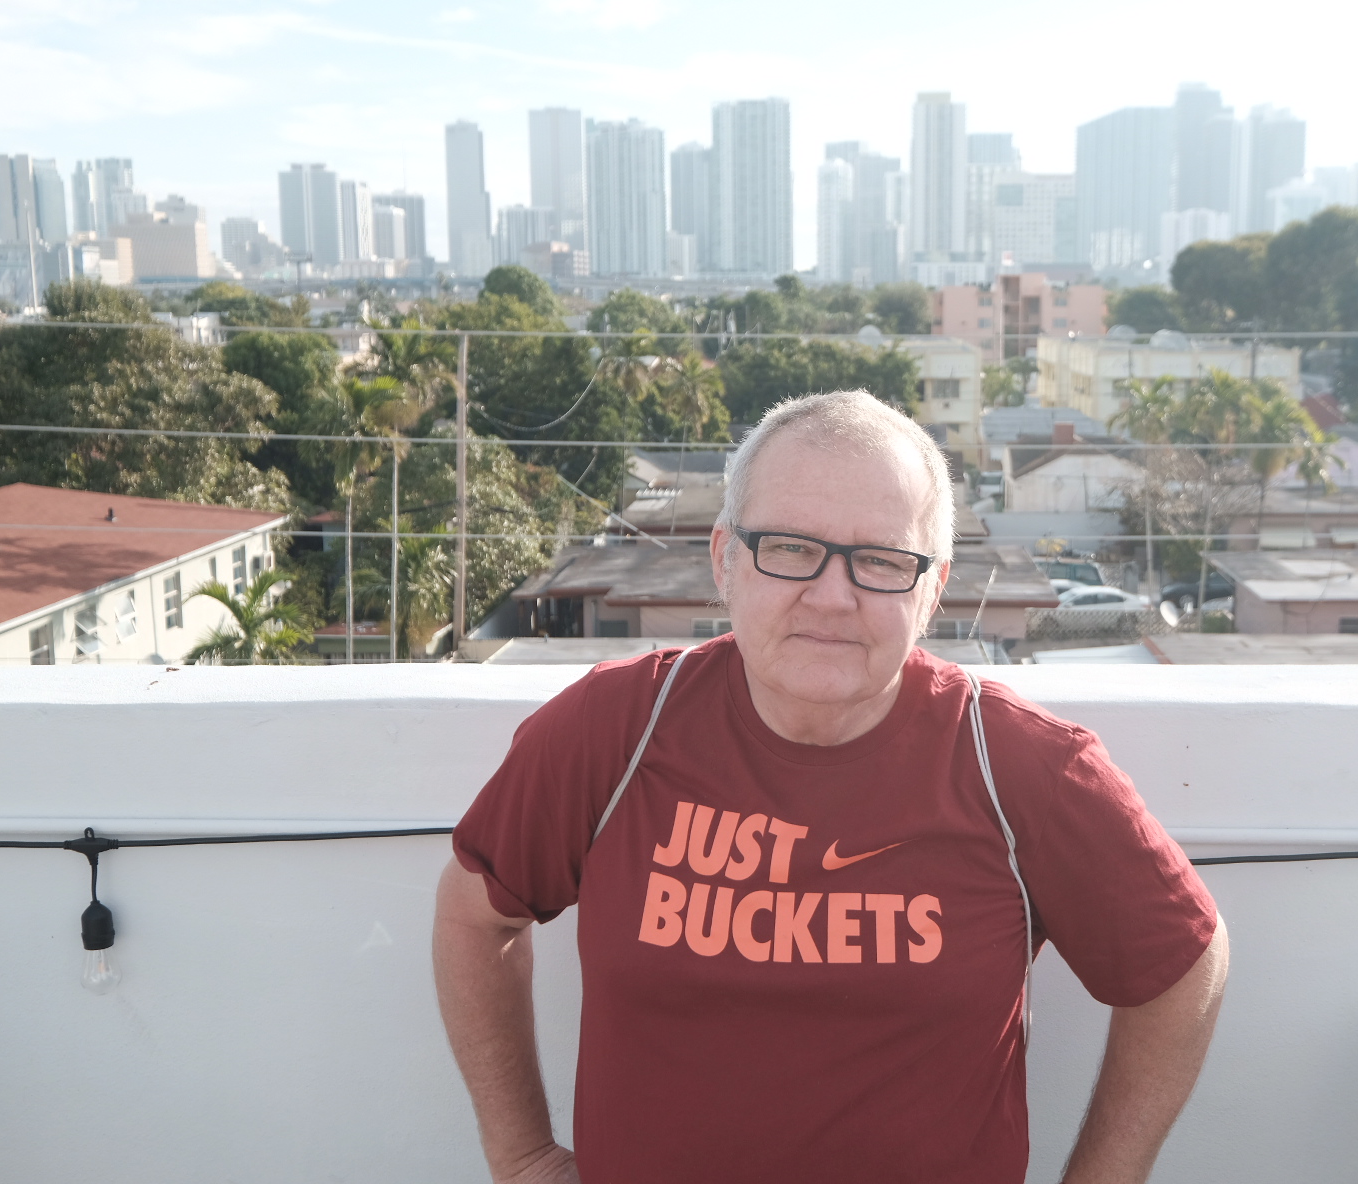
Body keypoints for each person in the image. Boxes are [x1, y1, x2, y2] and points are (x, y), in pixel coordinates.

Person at [435, 390, 1227, 1184]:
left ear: (932, 590)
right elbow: (475, 914)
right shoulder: (613, 730)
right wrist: (522, 1157)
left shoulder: (1018, 764)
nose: (831, 595)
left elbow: (1187, 961)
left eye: (881, 560)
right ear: (725, 558)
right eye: (788, 547)